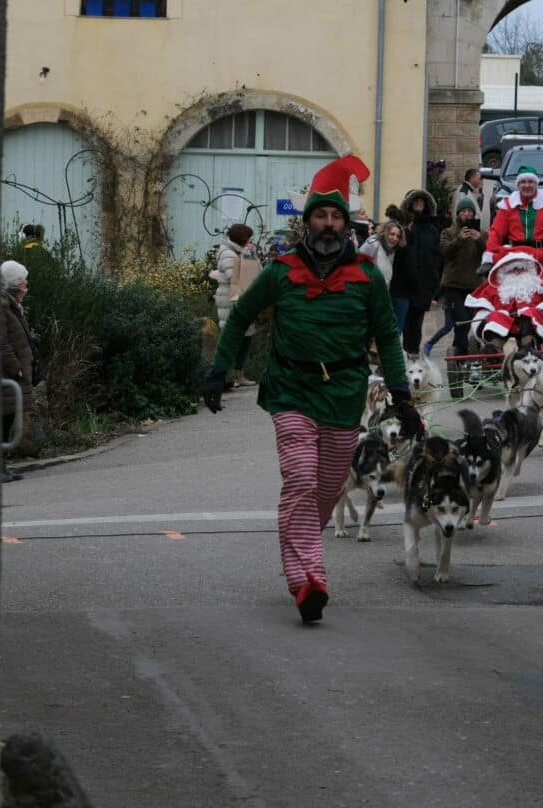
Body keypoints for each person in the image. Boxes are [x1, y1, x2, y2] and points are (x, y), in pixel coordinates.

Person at [203, 155, 420, 625]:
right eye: (319, 215)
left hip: (344, 393)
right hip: (291, 388)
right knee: (300, 479)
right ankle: (308, 580)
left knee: (325, 490)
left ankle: (300, 556)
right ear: (306, 223)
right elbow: (239, 315)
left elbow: (387, 337)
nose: (327, 223)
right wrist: (219, 368)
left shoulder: (366, 278)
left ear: (346, 223)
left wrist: (402, 398)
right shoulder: (281, 271)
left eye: (335, 216)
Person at [465, 251, 543, 350]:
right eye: (512, 270)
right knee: (495, 316)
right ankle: (495, 348)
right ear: (504, 272)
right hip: (506, 326)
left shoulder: (539, 287)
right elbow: (483, 307)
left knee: (528, 314)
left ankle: (528, 345)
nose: (517, 272)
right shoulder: (495, 289)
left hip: (533, 327)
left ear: (529, 270)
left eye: (521, 269)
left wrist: (541, 309)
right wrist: (487, 315)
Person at [424, 197, 487, 358]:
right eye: (463, 211)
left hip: (474, 287)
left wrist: (478, 240)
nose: (467, 214)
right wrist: (459, 239)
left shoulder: (481, 234)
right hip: (453, 286)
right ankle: (461, 354)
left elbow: (487, 255)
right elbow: (444, 251)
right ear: (457, 214)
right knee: (462, 321)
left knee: (471, 323)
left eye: (470, 212)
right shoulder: (448, 232)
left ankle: (459, 353)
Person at [481, 165, 543, 274]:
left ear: (536, 184)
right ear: (518, 185)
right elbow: (496, 233)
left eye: (530, 182)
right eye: (523, 182)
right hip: (515, 258)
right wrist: (489, 257)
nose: (526, 185)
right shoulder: (508, 206)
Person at [210, 223, 258, 387]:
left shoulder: (242, 252)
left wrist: (251, 256)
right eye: (249, 239)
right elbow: (235, 277)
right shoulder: (228, 254)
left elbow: (257, 272)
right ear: (242, 239)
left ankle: (239, 374)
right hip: (231, 303)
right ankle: (227, 375)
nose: (251, 241)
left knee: (246, 338)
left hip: (243, 300)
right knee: (231, 339)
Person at [1, 261, 34, 483]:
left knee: (7, 421)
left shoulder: (11, 305)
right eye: (23, 280)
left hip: (12, 376)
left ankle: (3, 468)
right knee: (3, 422)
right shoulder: (3, 307)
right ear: (14, 284)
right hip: (7, 376)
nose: (26, 284)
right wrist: (17, 368)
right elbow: (2, 343)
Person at [399, 189, 441, 356]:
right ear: (408, 204)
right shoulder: (402, 226)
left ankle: (413, 356)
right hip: (402, 284)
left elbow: (437, 258)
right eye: (414, 201)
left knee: (416, 323)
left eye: (421, 201)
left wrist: (435, 286)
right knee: (400, 322)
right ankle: (396, 359)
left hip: (424, 284)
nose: (418, 204)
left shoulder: (432, 229)